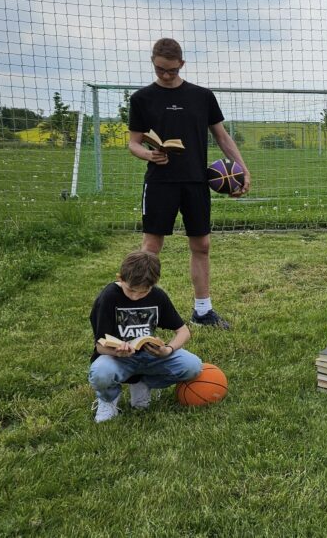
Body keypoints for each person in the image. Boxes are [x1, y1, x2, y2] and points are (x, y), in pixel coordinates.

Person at [128, 38, 251, 329]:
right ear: (153, 62)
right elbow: (133, 142)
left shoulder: (202, 96)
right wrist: (149, 153)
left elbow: (221, 136)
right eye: (160, 70)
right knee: (151, 246)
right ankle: (137, 307)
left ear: (182, 64)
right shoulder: (141, 98)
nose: (166, 75)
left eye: (171, 70)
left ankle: (203, 311)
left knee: (202, 244)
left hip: (196, 182)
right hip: (160, 182)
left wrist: (243, 169)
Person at [88, 250, 203, 423]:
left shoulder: (157, 296)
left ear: (153, 284)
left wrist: (168, 350)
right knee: (100, 373)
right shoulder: (109, 296)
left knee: (193, 365)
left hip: (150, 356)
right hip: (117, 358)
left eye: (143, 292)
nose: (135, 296)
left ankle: (143, 383)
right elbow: (100, 346)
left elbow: (183, 331)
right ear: (120, 278)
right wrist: (118, 352)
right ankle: (108, 399)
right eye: (131, 290)